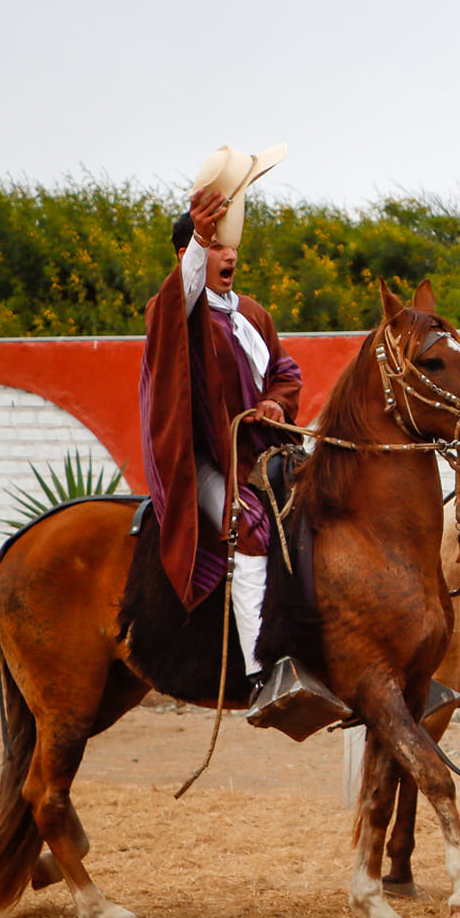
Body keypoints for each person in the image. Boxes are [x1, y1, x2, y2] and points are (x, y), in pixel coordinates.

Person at [138, 182, 301, 704]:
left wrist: (277, 400)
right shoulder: (171, 313)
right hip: (204, 462)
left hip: (262, 452)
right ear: (190, 256)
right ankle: (262, 675)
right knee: (249, 528)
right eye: (216, 246)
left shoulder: (252, 313)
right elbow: (180, 293)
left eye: (231, 245)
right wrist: (198, 240)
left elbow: (285, 369)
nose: (229, 254)